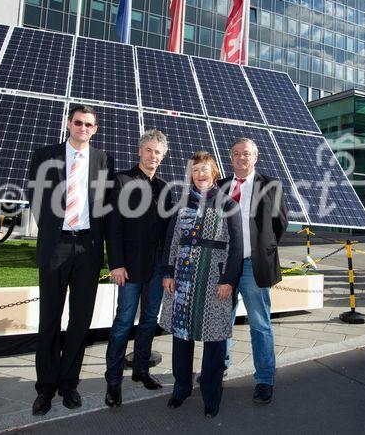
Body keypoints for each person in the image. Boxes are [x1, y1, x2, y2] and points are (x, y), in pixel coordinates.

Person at [28, 104, 114, 415]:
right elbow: (35, 196)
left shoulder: (104, 160)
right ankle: (45, 388)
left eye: (89, 124)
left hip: (88, 249)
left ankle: (69, 384)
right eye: (78, 122)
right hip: (57, 246)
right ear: (69, 123)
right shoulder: (44, 155)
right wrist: (54, 229)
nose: (83, 128)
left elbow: (105, 205)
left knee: (80, 319)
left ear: (95, 129)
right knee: (49, 319)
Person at [160, 151, 243, 418]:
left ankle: (211, 394)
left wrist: (228, 279)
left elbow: (237, 245)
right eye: (195, 170)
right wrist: (168, 271)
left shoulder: (229, 204)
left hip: (214, 281)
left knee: (215, 340)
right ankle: (181, 387)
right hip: (183, 279)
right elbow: (172, 240)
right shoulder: (182, 202)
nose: (200, 174)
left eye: (205, 169)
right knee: (181, 337)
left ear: (214, 172)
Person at [104, 129, 172, 407]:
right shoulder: (121, 181)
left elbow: (169, 231)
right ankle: (113, 382)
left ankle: (141, 371)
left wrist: (168, 268)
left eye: (158, 152)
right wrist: (116, 264)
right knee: (122, 323)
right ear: (139, 151)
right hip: (129, 267)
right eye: (149, 150)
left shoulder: (165, 188)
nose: (153, 156)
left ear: (162, 156)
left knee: (148, 321)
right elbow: (113, 227)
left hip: (157, 266)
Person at [218, 138, 288, 405]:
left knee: (259, 324)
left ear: (255, 157)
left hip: (252, 265)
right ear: (231, 157)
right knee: (222, 321)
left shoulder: (271, 185)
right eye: (235, 154)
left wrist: (263, 249)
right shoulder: (221, 186)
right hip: (225, 266)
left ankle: (264, 379)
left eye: (245, 154)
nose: (240, 158)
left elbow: (280, 223)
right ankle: (218, 367)